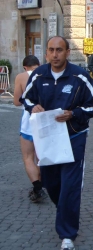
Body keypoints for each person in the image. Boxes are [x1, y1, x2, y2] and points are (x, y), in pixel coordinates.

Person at [22, 36, 93, 250]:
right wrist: (34, 107)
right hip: (47, 138)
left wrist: (74, 114)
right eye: (51, 50)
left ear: (67, 52)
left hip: (74, 137)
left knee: (70, 185)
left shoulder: (80, 76)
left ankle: (67, 235)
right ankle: (64, 209)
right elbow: (26, 99)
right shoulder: (39, 75)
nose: (55, 54)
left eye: (59, 50)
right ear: (46, 53)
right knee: (52, 183)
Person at [13, 55, 46, 202]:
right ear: (38, 64)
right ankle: (45, 182)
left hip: (29, 119)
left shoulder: (21, 77)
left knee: (28, 157)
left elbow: (16, 101)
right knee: (42, 155)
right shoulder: (46, 74)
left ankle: (37, 188)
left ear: (25, 67)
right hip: (45, 118)